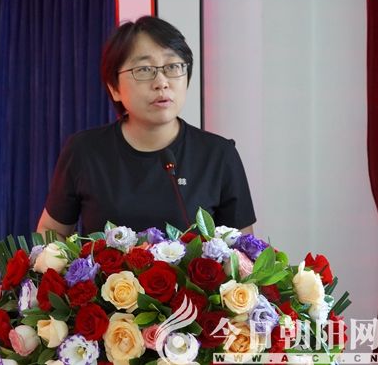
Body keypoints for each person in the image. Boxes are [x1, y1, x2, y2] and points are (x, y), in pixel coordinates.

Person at [36, 16, 255, 238]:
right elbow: (51, 232)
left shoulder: (218, 154)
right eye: (144, 70)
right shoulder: (84, 151)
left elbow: (242, 248)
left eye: (173, 66)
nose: (161, 82)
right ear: (114, 88)